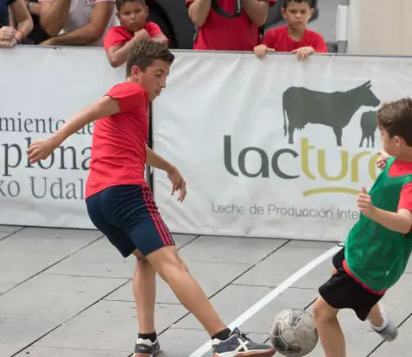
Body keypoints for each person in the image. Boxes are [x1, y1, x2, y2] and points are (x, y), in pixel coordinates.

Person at [27, 40, 275, 357]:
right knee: (173, 264)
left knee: (145, 258)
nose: (163, 83)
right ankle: (224, 338)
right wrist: (53, 141)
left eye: (166, 76)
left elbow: (136, 148)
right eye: (158, 74)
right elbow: (91, 111)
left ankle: (146, 339)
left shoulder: (129, 105)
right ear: (136, 72)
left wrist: (170, 168)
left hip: (97, 201)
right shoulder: (133, 92)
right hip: (126, 193)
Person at [312, 98, 412, 357]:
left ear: (397, 140)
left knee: (321, 312)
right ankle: (379, 321)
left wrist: (372, 211)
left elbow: (404, 222)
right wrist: (389, 159)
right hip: (363, 244)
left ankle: (375, 318)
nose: (380, 139)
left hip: (374, 260)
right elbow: (406, 159)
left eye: (382, 136)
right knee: (337, 268)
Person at [254, 0, 327, 60]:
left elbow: (324, 61)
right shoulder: (272, 36)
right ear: (284, 13)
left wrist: (313, 52)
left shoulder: (317, 40)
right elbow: (260, 58)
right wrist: (260, 49)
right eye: (293, 11)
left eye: (303, 12)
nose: (298, 16)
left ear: (310, 13)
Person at [104, 0, 168, 68]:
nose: (133, 17)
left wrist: (148, 40)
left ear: (146, 11)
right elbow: (114, 60)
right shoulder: (114, 33)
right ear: (119, 17)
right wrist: (136, 40)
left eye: (137, 11)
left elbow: (164, 42)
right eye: (127, 13)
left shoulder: (150, 26)